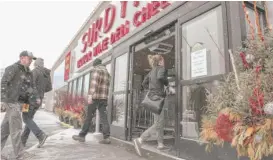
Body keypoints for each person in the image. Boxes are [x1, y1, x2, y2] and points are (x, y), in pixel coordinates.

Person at [1, 51, 38, 160]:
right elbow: (3, 83)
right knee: (16, 128)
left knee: (5, 129)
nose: (31, 61)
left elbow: (30, 89)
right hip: (12, 102)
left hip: (21, 103)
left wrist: (31, 101)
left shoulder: (29, 73)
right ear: (22, 58)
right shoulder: (13, 68)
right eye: (29, 58)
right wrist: (3, 100)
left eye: (32, 59)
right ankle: (20, 154)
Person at [133, 54, 169, 156]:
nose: (164, 62)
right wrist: (167, 84)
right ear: (160, 61)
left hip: (152, 99)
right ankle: (140, 139)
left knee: (158, 121)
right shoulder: (161, 68)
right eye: (163, 60)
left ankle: (160, 143)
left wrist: (151, 90)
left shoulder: (151, 71)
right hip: (158, 99)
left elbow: (144, 83)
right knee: (158, 123)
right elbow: (161, 77)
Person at [72, 58, 111, 144]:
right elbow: (107, 87)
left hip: (95, 98)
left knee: (89, 117)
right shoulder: (107, 73)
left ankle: (82, 136)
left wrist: (90, 95)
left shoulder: (97, 70)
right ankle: (107, 137)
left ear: (95, 65)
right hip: (103, 98)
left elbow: (94, 84)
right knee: (104, 118)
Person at [21, 58, 52, 148]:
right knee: (29, 119)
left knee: (26, 118)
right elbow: (49, 88)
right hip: (39, 100)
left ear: (36, 64)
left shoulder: (34, 72)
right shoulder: (46, 74)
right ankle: (23, 141)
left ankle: (40, 135)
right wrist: (40, 92)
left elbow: (28, 85)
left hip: (29, 100)